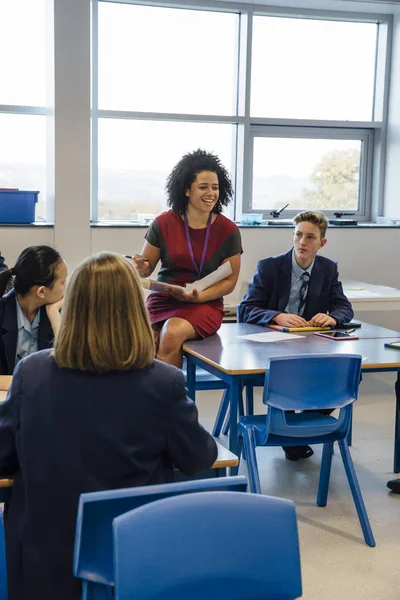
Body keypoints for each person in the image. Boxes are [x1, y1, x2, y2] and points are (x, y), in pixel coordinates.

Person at [0, 252, 217, 600]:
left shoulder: (31, 374)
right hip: (132, 559)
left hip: (45, 565)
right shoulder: (165, 383)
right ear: (136, 310)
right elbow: (199, 458)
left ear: (72, 305)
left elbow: (3, 457)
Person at [238, 210, 354, 461]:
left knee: (345, 373)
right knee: (289, 373)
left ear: (321, 243)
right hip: (271, 344)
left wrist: (333, 317)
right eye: (298, 235)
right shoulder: (269, 266)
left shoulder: (328, 268)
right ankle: (292, 435)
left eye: (310, 237)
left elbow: (344, 307)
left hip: (310, 344)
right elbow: (245, 309)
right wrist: (277, 316)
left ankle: (303, 427)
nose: (302, 242)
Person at [133, 149, 242, 367]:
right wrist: (140, 266)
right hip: (165, 298)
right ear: (186, 190)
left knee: (171, 332)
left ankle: (168, 398)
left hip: (205, 303)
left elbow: (229, 282)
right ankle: (142, 397)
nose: (210, 193)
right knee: (140, 337)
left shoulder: (228, 230)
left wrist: (198, 297)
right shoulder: (163, 223)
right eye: (203, 187)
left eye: (215, 187)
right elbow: (146, 269)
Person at [0, 246, 67, 375]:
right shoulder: (3, 314)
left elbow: (71, 370)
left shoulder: (59, 312)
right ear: (42, 291)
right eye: (63, 282)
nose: (67, 287)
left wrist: (54, 316)